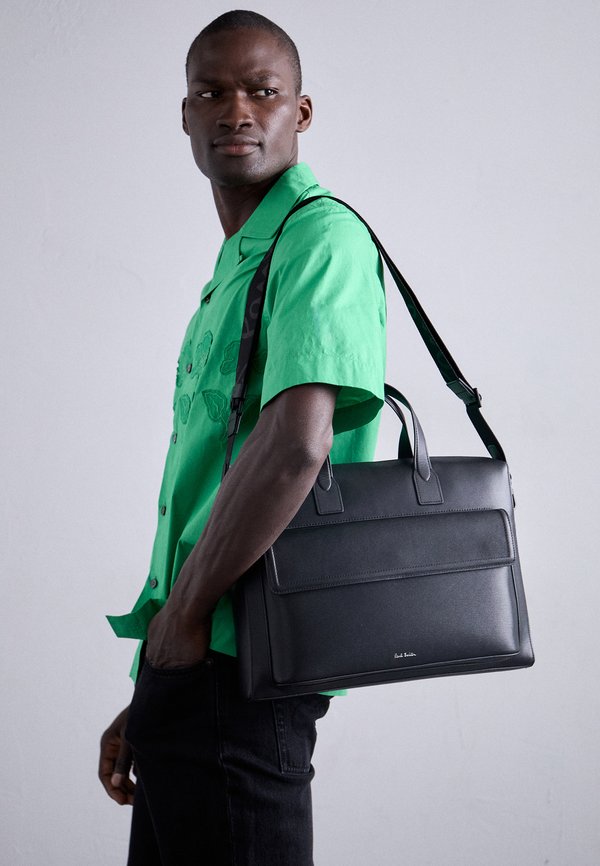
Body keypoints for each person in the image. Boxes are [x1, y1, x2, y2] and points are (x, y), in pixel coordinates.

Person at [98, 10, 386, 866]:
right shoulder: (239, 261)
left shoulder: (320, 238)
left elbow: (297, 445)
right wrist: (151, 692)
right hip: (194, 665)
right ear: (184, 113)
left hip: (244, 662)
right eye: (212, 93)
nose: (236, 112)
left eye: (263, 91)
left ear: (302, 112)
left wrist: (185, 620)